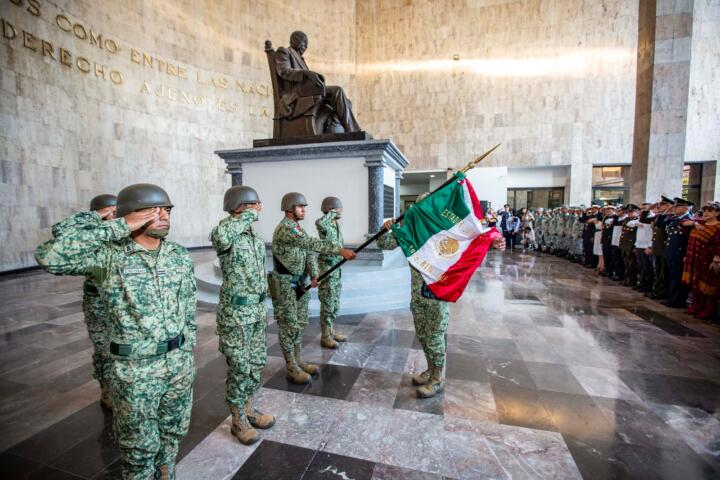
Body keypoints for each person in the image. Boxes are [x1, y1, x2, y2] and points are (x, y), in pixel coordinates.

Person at [35, 184, 196, 479]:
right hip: (136, 372)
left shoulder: (178, 255)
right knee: (138, 451)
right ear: (128, 216)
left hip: (179, 365)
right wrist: (112, 225)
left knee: (172, 436)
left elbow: (187, 307)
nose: (163, 216)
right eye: (151, 210)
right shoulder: (108, 256)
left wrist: (188, 351)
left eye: (167, 210)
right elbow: (50, 256)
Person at [378, 193, 505, 398]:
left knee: (435, 337)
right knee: (423, 335)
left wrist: (494, 243)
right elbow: (384, 243)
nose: (422, 211)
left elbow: (469, 242)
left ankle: (437, 379)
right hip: (418, 296)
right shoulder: (412, 230)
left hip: (437, 294)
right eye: (419, 207)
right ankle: (430, 369)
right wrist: (387, 227)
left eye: (427, 206)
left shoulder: (445, 230)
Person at [210, 186, 275, 446]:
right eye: (254, 203)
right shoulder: (226, 231)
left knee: (256, 363)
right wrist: (246, 215)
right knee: (239, 366)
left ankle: (248, 408)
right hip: (236, 315)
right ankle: (237, 419)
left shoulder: (252, 237)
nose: (259, 208)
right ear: (240, 206)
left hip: (257, 311)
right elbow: (221, 238)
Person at [270, 192, 357, 384]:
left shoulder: (297, 228)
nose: (304, 210)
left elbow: (308, 252)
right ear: (289, 209)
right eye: (300, 207)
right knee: (288, 326)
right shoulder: (285, 229)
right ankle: (291, 367)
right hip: (285, 285)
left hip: (299, 283)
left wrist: (314, 273)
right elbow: (310, 243)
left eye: (305, 207)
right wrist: (339, 250)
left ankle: (299, 361)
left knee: (299, 324)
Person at [275, 31, 361, 133]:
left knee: (347, 102)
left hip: (306, 91)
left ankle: (333, 131)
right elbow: (284, 71)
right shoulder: (284, 51)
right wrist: (307, 73)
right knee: (337, 91)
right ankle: (354, 131)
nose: (306, 46)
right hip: (295, 95)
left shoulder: (301, 59)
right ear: (294, 40)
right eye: (304, 42)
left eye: (307, 43)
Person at [81, 194, 118, 410]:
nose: (113, 214)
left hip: (121, 300)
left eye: (116, 210)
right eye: (108, 211)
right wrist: (93, 218)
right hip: (97, 301)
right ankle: (106, 387)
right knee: (104, 348)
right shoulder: (90, 236)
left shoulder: (124, 233)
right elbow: (62, 235)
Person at [315, 196, 348, 349]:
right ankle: (325, 336)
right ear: (331, 210)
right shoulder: (324, 223)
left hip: (337, 267)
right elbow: (320, 222)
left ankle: (331, 331)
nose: (341, 211)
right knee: (327, 302)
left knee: (334, 303)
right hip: (327, 269)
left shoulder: (336, 224)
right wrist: (330, 213)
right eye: (338, 208)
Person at [682, 202, 720, 320]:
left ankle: (708, 309)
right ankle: (696, 306)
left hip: (707, 260)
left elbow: (718, 245)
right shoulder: (700, 223)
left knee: (708, 286)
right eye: (705, 210)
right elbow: (682, 223)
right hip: (694, 258)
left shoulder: (718, 227)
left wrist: (716, 260)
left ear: (717, 213)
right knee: (696, 284)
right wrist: (694, 223)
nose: (706, 213)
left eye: (710, 210)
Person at [662, 198, 694, 308]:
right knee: (672, 276)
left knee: (678, 277)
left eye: (677, 207)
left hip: (680, 252)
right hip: (671, 251)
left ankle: (678, 300)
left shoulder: (689, 220)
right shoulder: (675, 219)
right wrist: (669, 210)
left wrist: (686, 255)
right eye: (674, 207)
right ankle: (672, 298)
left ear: (685, 208)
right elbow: (662, 222)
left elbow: (689, 240)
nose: (674, 209)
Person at [644, 196, 674, 300]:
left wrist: (667, 212)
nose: (658, 207)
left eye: (661, 205)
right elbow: (644, 219)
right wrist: (648, 209)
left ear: (669, 206)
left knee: (663, 272)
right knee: (658, 270)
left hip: (664, 249)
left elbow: (661, 225)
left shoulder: (670, 217)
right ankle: (657, 290)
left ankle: (661, 292)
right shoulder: (661, 216)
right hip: (658, 248)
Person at [635, 203, 655, 292]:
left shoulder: (651, 217)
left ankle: (647, 286)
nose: (642, 210)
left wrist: (650, 246)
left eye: (644, 208)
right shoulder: (641, 218)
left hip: (646, 245)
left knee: (647, 268)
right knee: (641, 266)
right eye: (641, 208)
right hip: (639, 245)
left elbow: (653, 234)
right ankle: (642, 283)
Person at [619, 204, 640, 287]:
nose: (629, 214)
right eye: (628, 212)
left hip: (632, 245)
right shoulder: (627, 219)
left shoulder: (638, 220)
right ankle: (627, 279)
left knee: (632, 265)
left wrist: (635, 246)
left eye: (631, 212)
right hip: (625, 244)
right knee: (627, 264)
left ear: (637, 212)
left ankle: (632, 281)